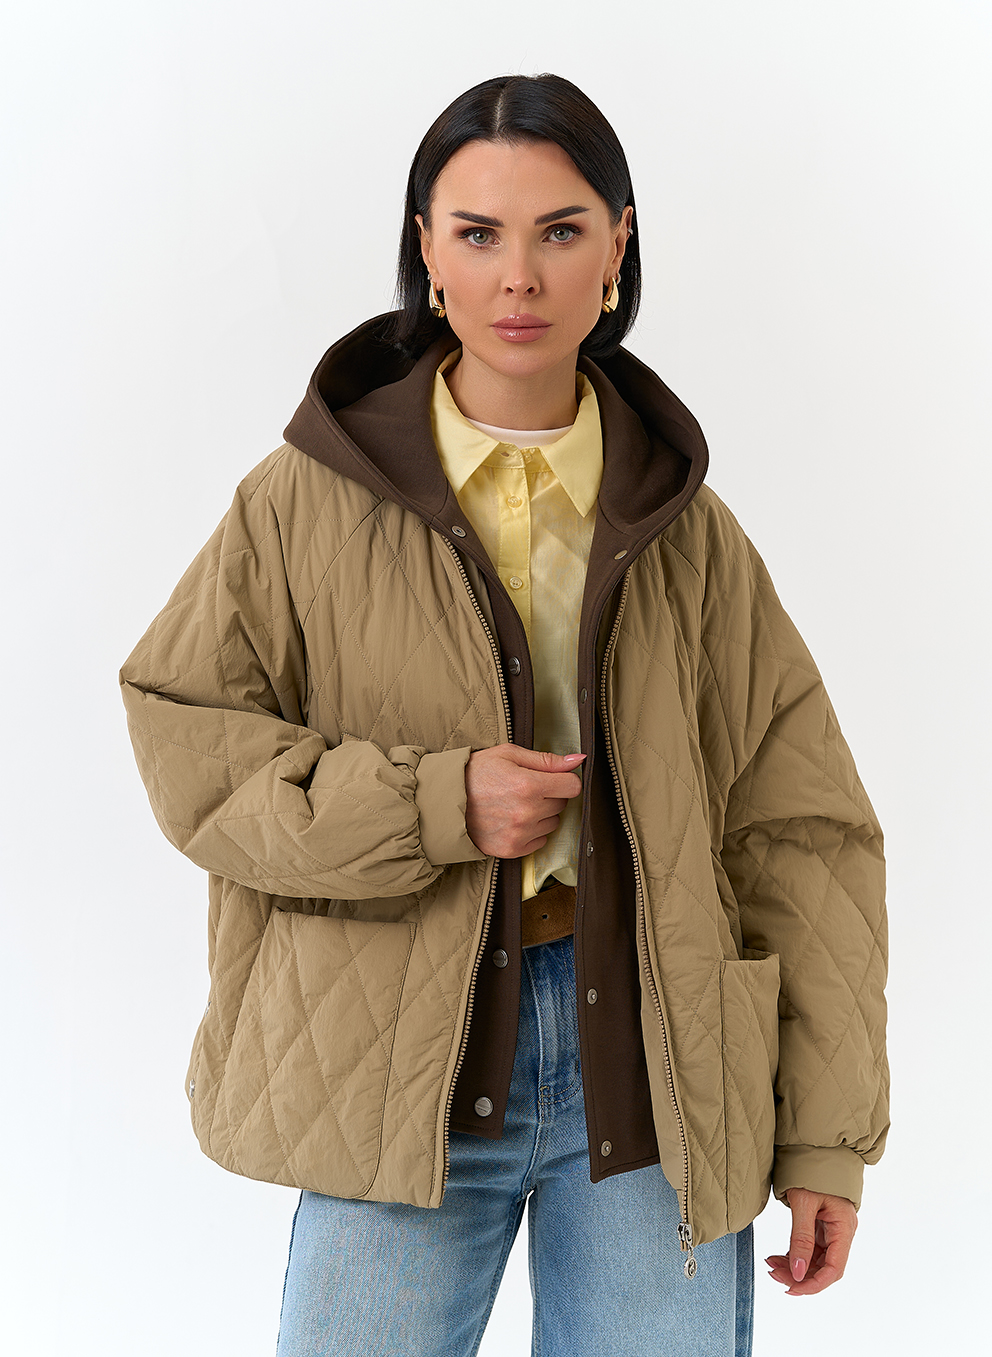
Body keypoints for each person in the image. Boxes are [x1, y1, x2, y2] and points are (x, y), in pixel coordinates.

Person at [120, 73, 888, 1356]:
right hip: (390, 1076)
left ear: (616, 247)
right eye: (477, 233)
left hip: (653, 1076)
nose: (517, 276)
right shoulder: (304, 502)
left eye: (560, 230)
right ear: (426, 249)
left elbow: (800, 833)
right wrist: (433, 804)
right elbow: (189, 739)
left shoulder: (687, 534)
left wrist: (823, 1134)